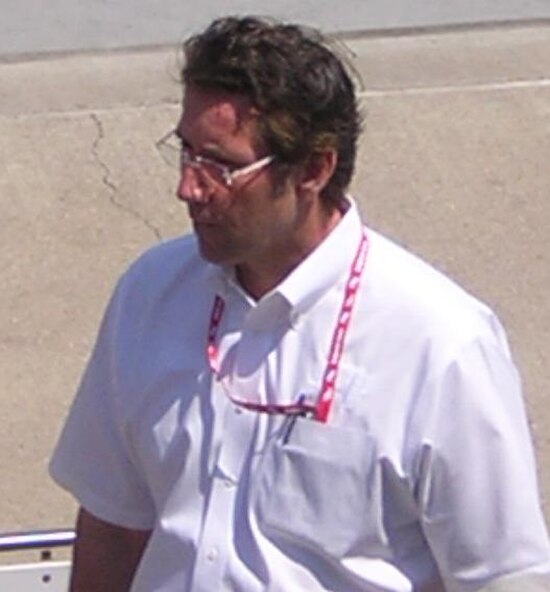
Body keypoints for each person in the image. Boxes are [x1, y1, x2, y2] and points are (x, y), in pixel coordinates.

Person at [50, 15, 550, 592]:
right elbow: (114, 524)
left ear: (314, 168)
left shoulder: (440, 344)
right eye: (186, 152)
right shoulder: (150, 294)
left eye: (223, 166)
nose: (188, 186)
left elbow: (502, 577)